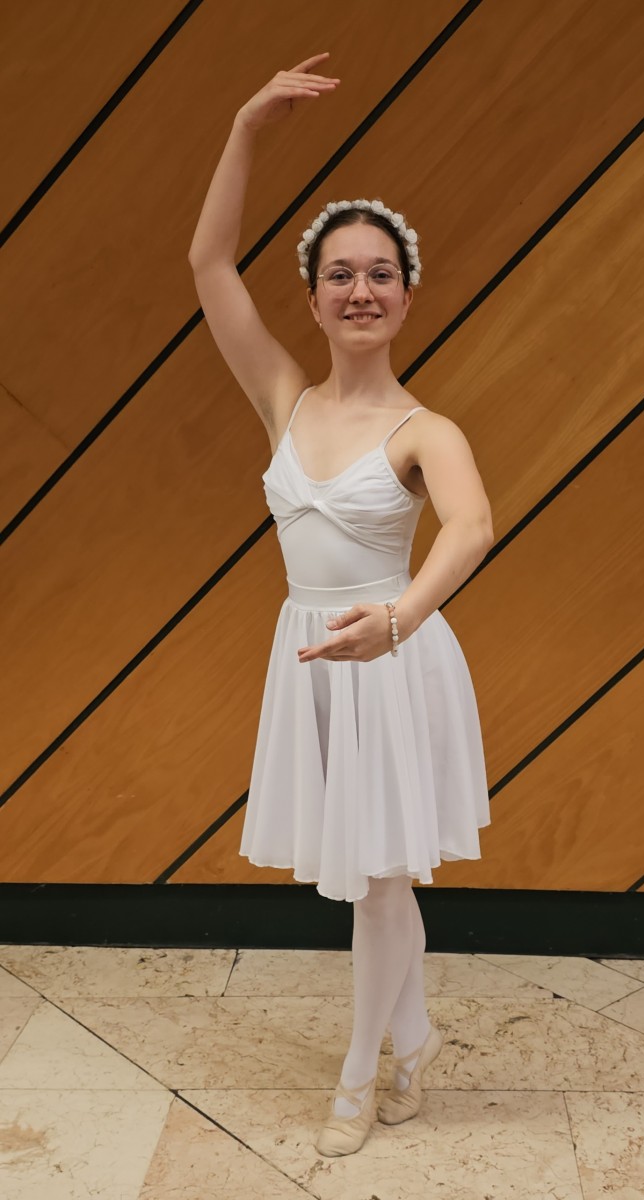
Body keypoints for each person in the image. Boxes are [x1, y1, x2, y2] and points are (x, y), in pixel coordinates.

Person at [188, 53, 494, 1158]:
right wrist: (244, 125)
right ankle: (413, 1041)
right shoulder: (283, 396)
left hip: (393, 657)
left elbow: (471, 525)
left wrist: (397, 621)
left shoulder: (425, 429)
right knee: (377, 883)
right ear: (313, 295)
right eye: (339, 274)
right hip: (310, 657)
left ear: (406, 293)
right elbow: (208, 261)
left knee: (376, 883)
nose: (359, 290)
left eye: (379, 273)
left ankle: (359, 1073)